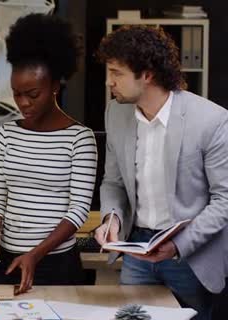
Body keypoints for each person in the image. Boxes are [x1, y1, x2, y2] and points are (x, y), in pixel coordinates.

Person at [94, 25, 228, 320]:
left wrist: (178, 245)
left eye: (117, 73)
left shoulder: (211, 120)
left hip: (191, 254)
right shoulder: (115, 114)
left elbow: (224, 200)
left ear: (147, 74)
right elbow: (113, 183)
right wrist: (111, 218)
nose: (109, 82)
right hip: (136, 250)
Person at [0, 14, 97, 294]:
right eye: (16, 93)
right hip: (7, 259)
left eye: (33, 94)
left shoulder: (80, 138)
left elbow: (78, 211)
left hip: (56, 263)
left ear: (55, 86)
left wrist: (35, 255)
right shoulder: (7, 134)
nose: (23, 103)